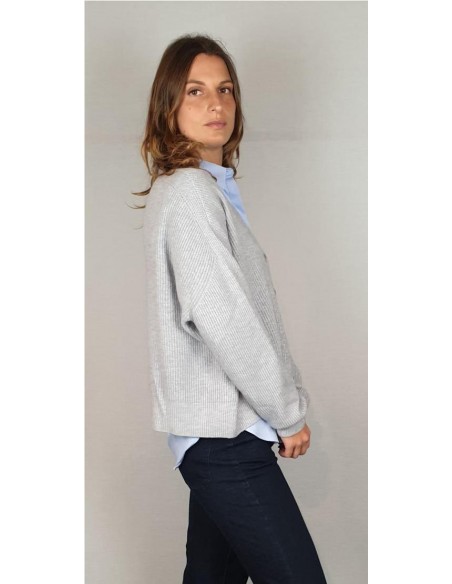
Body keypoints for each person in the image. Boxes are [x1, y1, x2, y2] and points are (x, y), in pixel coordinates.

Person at [133, 33, 327, 584]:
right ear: (168, 105)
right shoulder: (191, 193)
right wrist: (287, 412)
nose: (215, 104)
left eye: (225, 90)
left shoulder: (203, 189)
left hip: (218, 433)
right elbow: (225, 319)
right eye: (195, 91)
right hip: (226, 438)